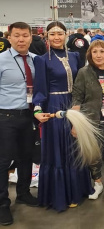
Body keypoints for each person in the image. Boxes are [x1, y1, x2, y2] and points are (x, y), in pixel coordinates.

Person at [33, 21, 93, 212]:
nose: (56, 37)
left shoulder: (75, 56)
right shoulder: (42, 60)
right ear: (47, 37)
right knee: (59, 150)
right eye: (52, 34)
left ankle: (78, 190)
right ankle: (61, 195)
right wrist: (37, 109)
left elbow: (82, 84)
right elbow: (40, 88)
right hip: (54, 107)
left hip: (75, 105)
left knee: (74, 147)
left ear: (67, 35)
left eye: (60, 33)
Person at [72, 40, 104, 199]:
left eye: (102, 51)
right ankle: (98, 183)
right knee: (93, 155)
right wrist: (75, 123)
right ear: (89, 54)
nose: (99, 55)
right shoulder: (84, 72)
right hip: (91, 122)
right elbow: (77, 98)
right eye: (95, 52)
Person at [0, 22, 38, 226]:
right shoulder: (1, 60)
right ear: (9, 37)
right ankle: (2, 204)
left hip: (29, 116)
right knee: (3, 161)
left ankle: (23, 193)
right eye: (17, 36)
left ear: (31, 37)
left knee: (26, 157)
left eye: (25, 35)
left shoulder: (35, 60)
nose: (21, 39)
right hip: (5, 117)